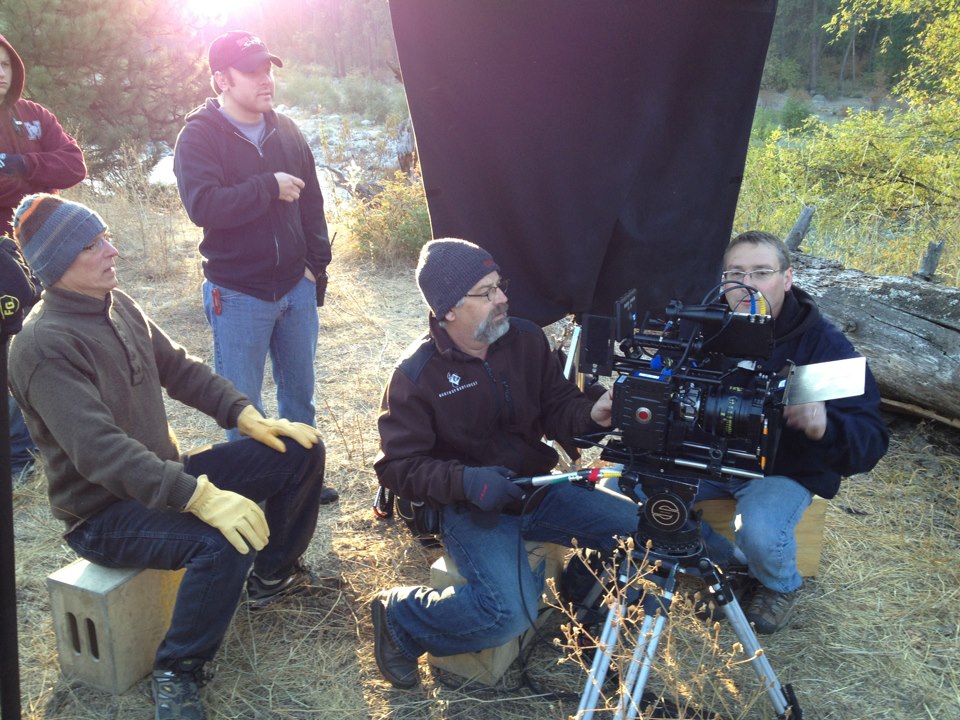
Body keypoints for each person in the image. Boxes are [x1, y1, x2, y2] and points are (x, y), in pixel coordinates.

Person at [8, 194, 328, 720]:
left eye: (106, 235)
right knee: (221, 540)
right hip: (102, 513)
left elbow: (179, 369)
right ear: (58, 263)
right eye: (94, 245)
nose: (112, 250)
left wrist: (245, 415)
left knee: (298, 449)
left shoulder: (118, 302)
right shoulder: (42, 345)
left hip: (163, 479)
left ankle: (273, 576)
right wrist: (198, 496)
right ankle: (178, 670)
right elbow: (99, 452)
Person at [370, 238, 640, 688]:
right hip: (470, 508)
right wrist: (467, 482)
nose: (503, 298)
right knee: (506, 614)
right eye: (487, 291)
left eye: (500, 285)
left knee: (641, 531)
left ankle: (579, 596)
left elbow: (557, 406)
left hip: (537, 488)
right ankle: (401, 615)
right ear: (448, 309)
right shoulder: (416, 375)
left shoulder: (525, 338)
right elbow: (397, 466)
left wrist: (591, 415)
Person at [173, 31, 337, 504]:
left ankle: (302, 477)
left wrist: (315, 267)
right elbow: (203, 206)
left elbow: (313, 204)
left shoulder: (286, 128)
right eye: (253, 71)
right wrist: (267, 185)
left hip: (295, 288)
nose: (266, 80)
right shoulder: (200, 136)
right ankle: (252, 490)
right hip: (238, 292)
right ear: (221, 79)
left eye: (268, 69)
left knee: (299, 394)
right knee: (241, 403)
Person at [697, 230, 889, 634]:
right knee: (641, 498)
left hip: (778, 468)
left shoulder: (821, 346)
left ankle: (779, 583)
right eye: (736, 273)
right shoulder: (699, 329)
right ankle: (726, 564)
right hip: (702, 459)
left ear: (787, 278)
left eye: (761, 272)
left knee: (762, 533)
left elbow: (871, 439)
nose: (747, 285)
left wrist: (824, 426)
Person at [0, 32, 87, 483]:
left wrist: (23, 166)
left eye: (5, 63)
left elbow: (75, 165)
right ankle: (20, 455)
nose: (0, 71)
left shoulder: (34, 115)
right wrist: (25, 182)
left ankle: (66, 438)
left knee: (59, 342)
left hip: (48, 247)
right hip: (1, 252)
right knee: (11, 348)